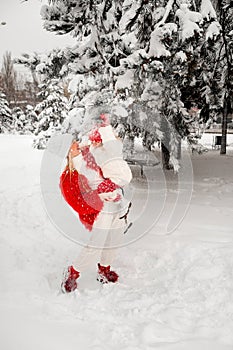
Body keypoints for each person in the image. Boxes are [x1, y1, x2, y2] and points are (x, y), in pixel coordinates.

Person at [60, 114, 132, 293]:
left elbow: (113, 151)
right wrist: (99, 197)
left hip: (117, 204)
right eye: (72, 148)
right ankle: (72, 273)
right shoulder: (73, 171)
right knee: (96, 243)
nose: (75, 147)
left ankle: (104, 269)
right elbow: (75, 198)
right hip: (101, 209)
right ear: (69, 154)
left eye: (77, 144)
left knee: (114, 240)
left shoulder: (94, 155)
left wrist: (105, 129)